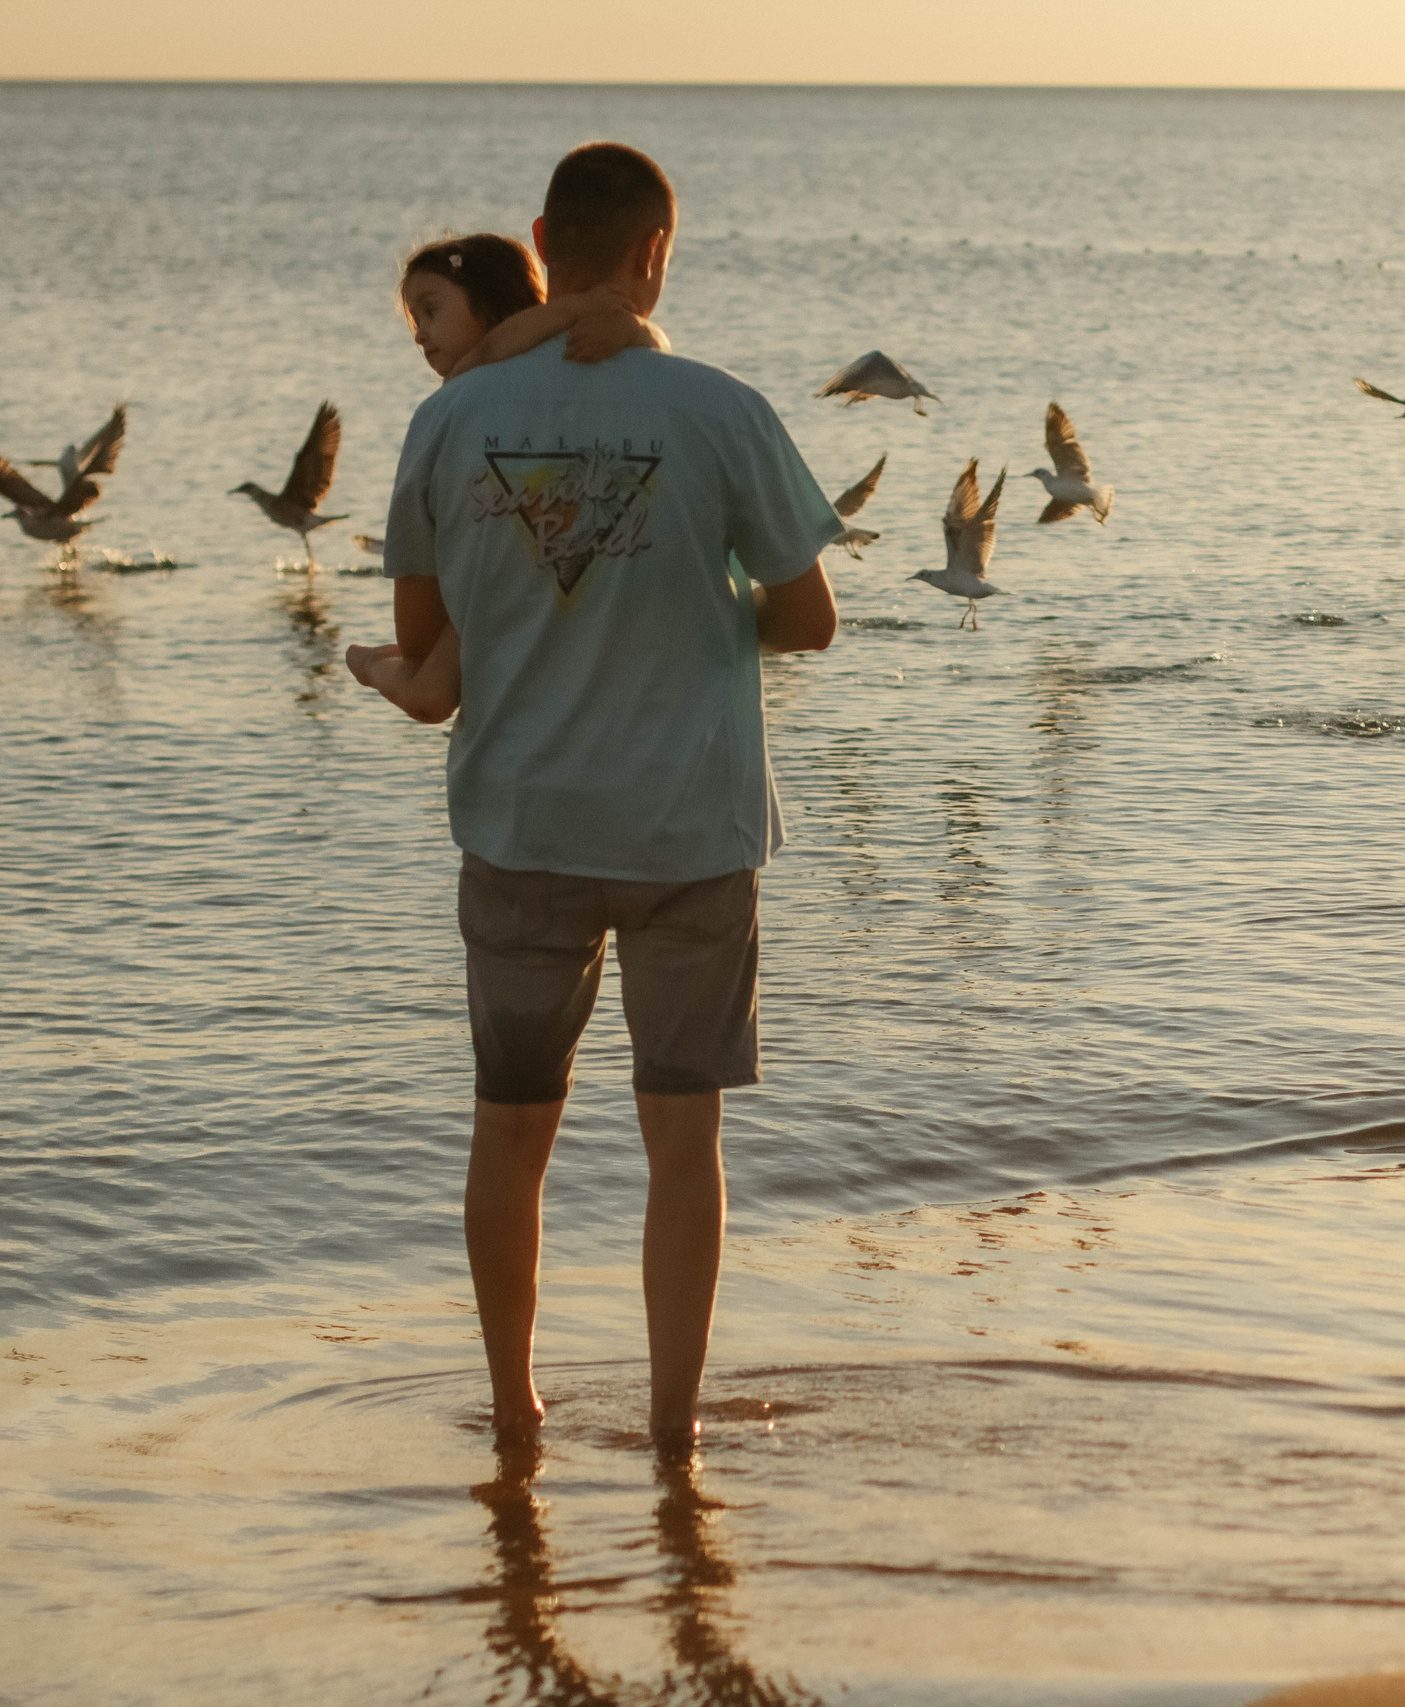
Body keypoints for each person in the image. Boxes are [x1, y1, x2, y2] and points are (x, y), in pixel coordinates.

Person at [370, 142, 843, 1454]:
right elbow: (809, 620)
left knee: (510, 1130)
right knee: (681, 1144)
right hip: (692, 830)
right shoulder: (722, 408)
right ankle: (674, 1425)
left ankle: (516, 1410)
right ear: (656, 254)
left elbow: (426, 641)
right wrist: (685, 593)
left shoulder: (450, 420)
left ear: (540, 238)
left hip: (523, 827)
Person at [349, 232, 666, 715]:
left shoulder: (459, 402)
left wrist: (578, 311)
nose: (418, 333)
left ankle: (374, 668)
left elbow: (415, 639)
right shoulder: (583, 371)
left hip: (518, 606)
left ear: (494, 304)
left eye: (430, 311)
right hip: (601, 626)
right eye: (415, 319)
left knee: (427, 686)